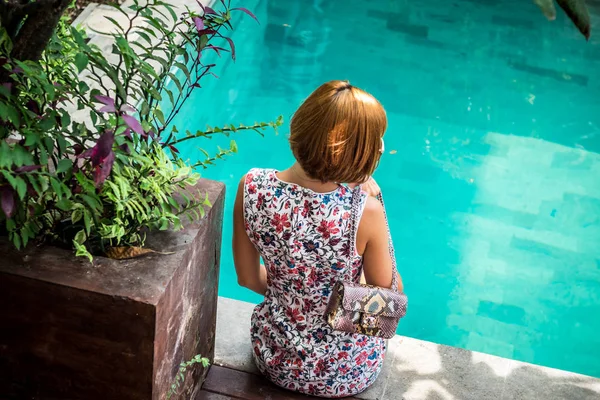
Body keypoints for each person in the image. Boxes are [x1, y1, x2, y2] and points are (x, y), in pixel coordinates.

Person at [232, 80, 403, 398]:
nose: (381, 146)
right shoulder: (364, 211)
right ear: (355, 154)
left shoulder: (251, 185)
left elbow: (245, 278)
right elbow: (386, 304)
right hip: (347, 372)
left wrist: (299, 298)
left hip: (276, 360)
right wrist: (378, 203)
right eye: (375, 141)